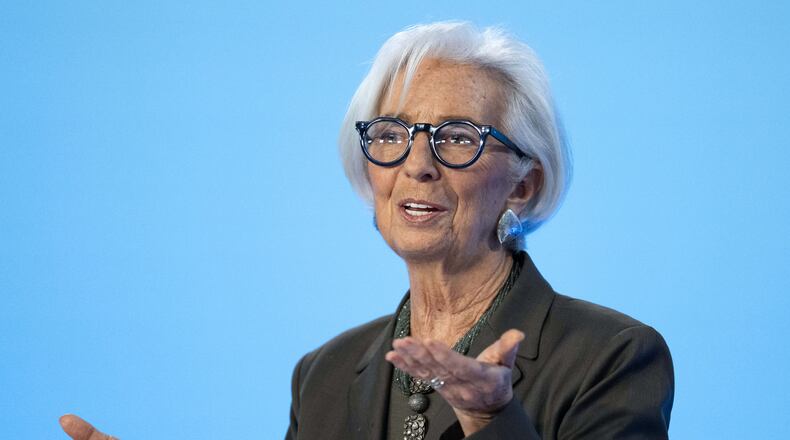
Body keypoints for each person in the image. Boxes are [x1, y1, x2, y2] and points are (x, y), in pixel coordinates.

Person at [59, 21, 673, 440]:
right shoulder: (324, 372)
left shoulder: (613, 355)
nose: (417, 163)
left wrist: (493, 419)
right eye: (391, 135)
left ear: (523, 184)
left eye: (458, 137)